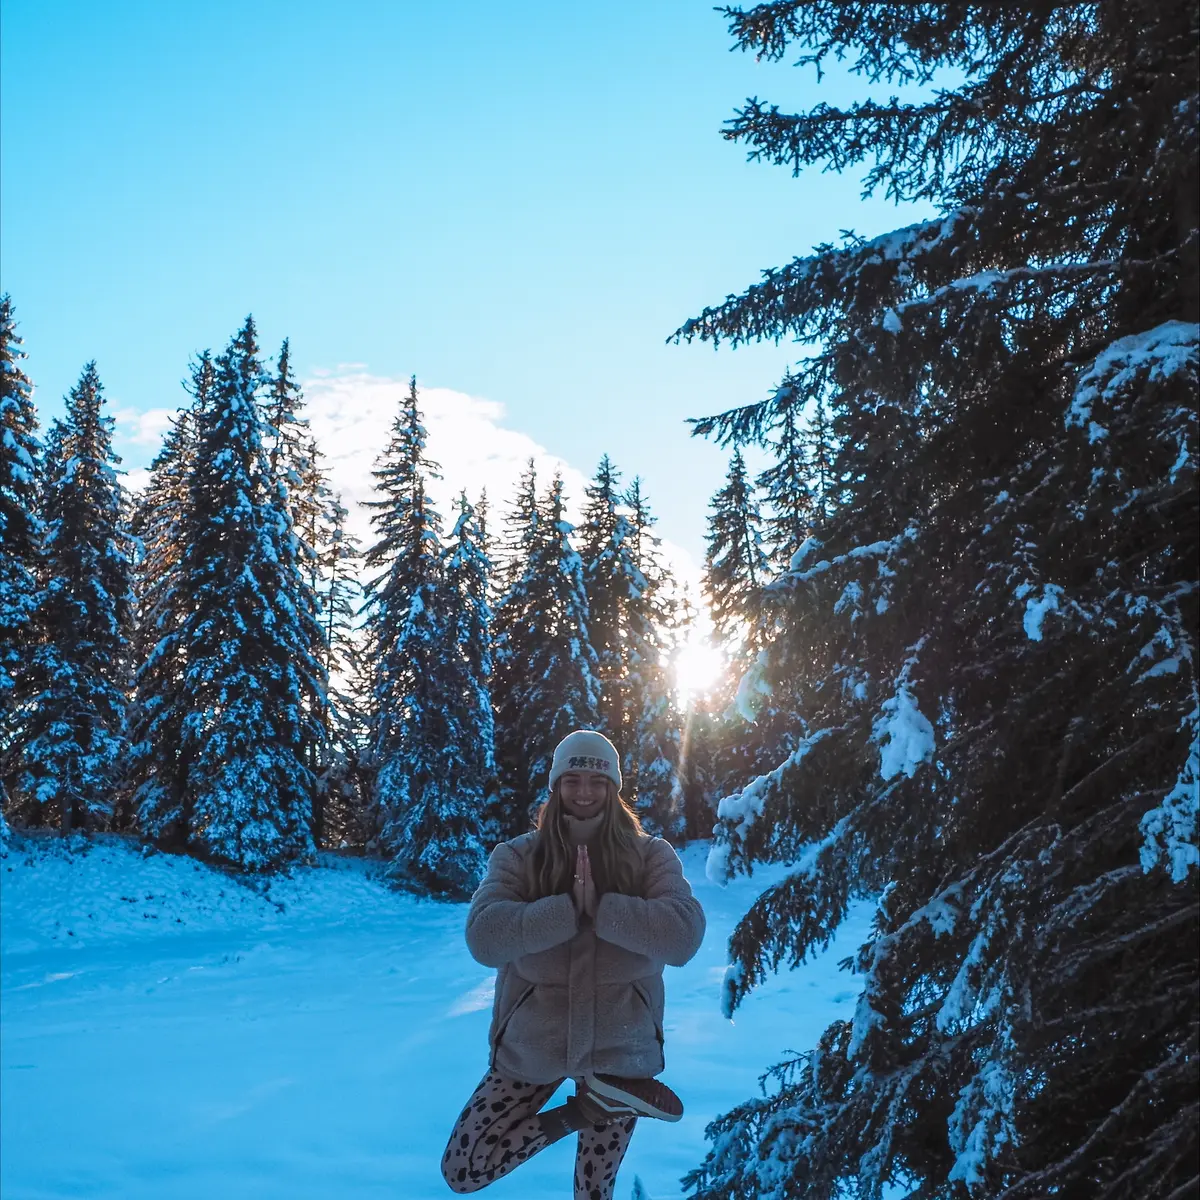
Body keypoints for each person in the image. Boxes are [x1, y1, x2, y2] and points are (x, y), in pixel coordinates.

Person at [440, 729, 706, 1199]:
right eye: (573, 778)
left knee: (594, 1190)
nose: (584, 791)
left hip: (619, 1056)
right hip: (532, 1048)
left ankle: (604, 1101)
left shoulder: (650, 856)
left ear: (614, 788)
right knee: (465, 1166)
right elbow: (483, 937)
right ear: (556, 786)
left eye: (597, 781)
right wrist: (564, 910)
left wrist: (603, 907)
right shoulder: (518, 856)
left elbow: (683, 937)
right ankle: (587, 1110)